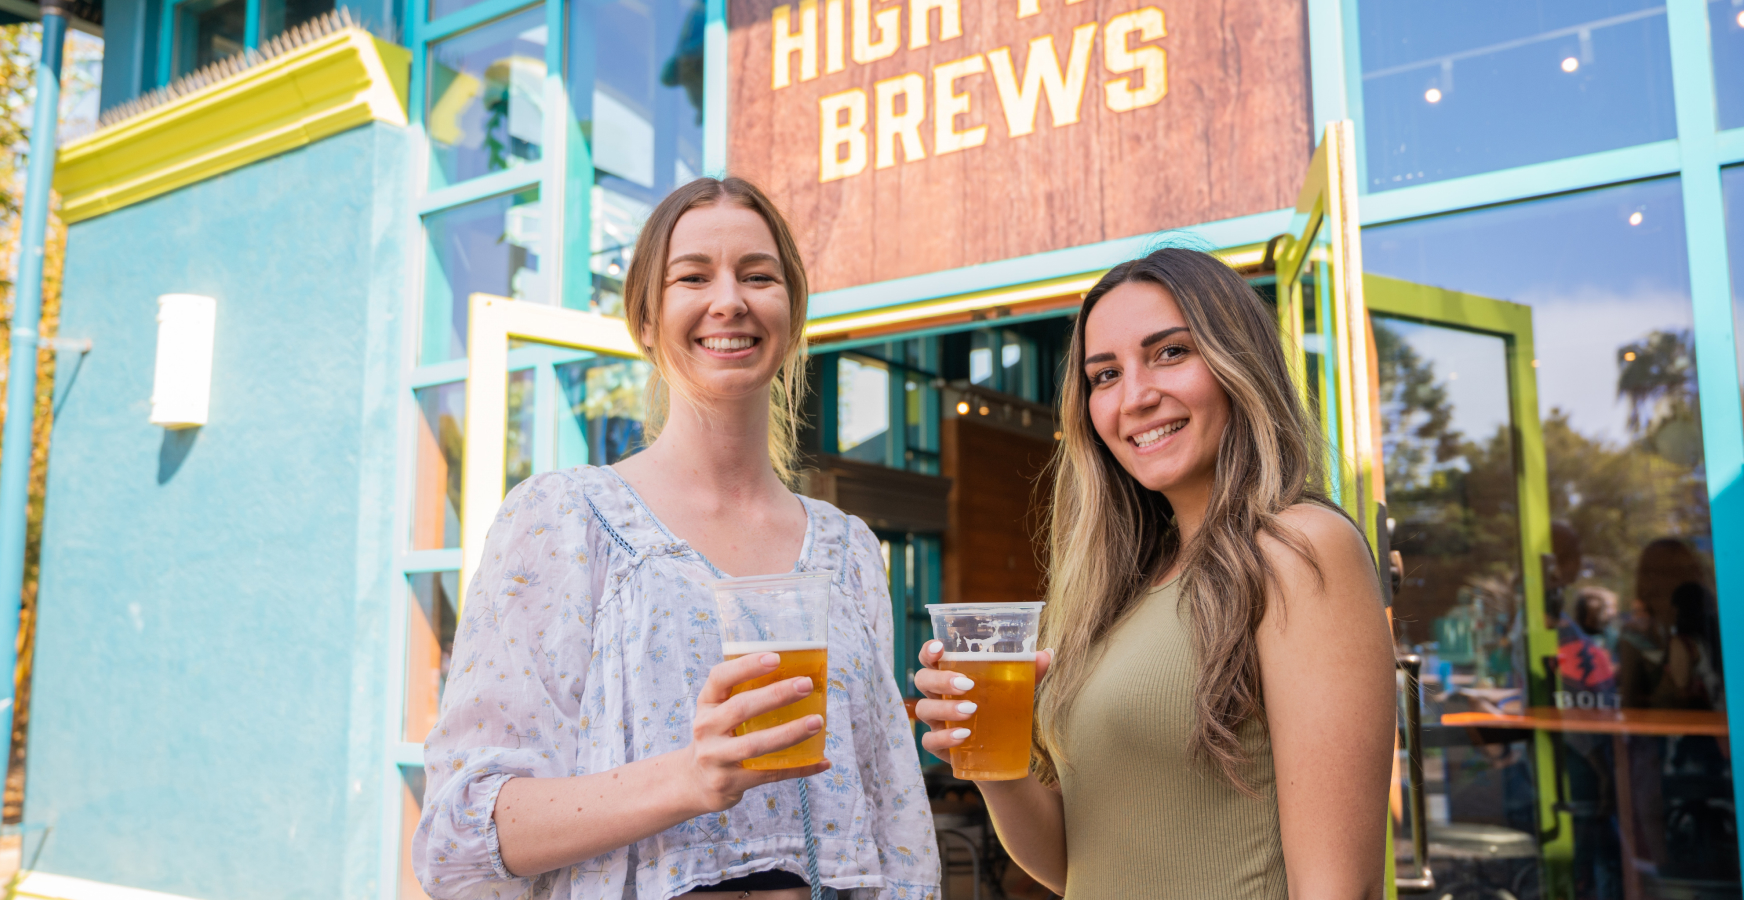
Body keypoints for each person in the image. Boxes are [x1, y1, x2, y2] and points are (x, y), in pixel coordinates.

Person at [412, 177, 938, 900]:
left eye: (759, 275)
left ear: (792, 313)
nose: (730, 300)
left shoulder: (847, 552)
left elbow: (897, 828)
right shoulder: (566, 521)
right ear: (647, 319)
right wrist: (691, 777)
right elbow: (457, 839)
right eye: (693, 276)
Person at [913, 248, 1394, 898]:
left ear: (1237, 364)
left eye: (1170, 352)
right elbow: (1077, 864)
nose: (1134, 397)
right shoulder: (1121, 590)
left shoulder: (1297, 547)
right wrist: (993, 761)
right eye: (1104, 375)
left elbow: (1339, 889)